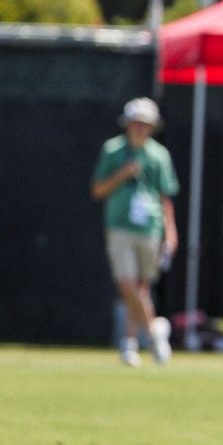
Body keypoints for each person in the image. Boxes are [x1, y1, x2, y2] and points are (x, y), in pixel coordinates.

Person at [90, 97, 179, 366]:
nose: (140, 129)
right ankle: (154, 331)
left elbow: (166, 198)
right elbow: (97, 190)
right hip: (119, 226)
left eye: (145, 124)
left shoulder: (159, 155)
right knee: (126, 283)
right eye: (136, 123)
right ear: (127, 124)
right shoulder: (113, 150)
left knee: (141, 287)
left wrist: (170, 232)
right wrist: (122, 174)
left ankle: (129, 343)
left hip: (149, 228)